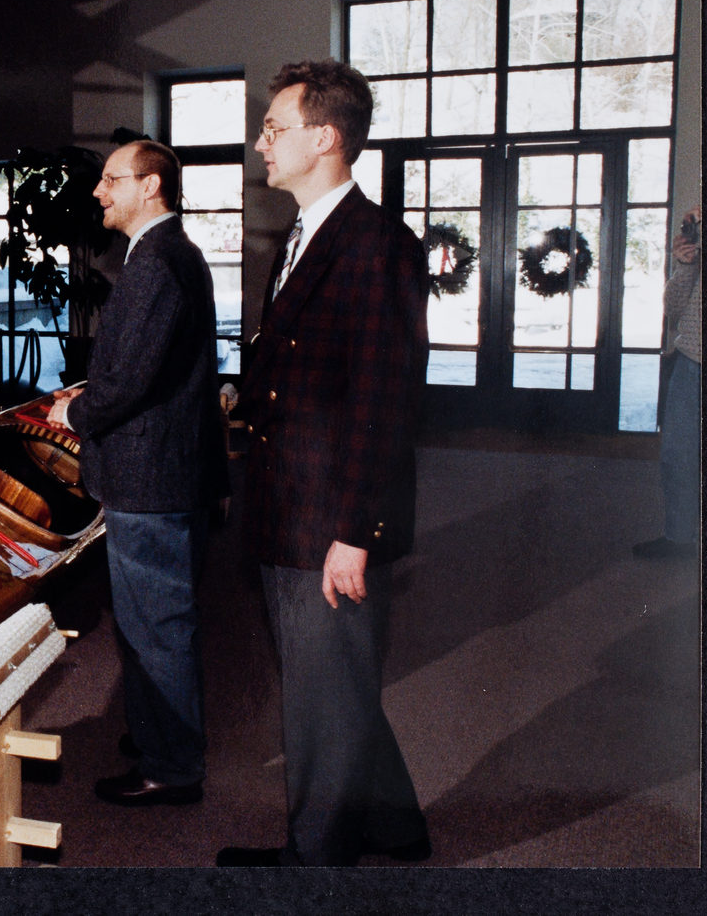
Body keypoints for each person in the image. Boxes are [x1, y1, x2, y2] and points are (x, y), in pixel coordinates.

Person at [216, 60, 431, 867]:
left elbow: (385, 404)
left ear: (325, 138)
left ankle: (317, 862)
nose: (261, 143)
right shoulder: (306, 233)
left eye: (274, 127)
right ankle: (394, 825)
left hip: (329, 517)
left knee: (322, 693)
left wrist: (354, 532)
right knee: (333, 680)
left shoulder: (378, 246)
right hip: (289, 500)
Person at [48, 139, 228, 808]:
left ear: (150, 186)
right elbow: (153, 368)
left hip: (150, 478)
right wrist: (93, 393)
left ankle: (172, 766)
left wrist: (76, 412)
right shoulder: (172, 252)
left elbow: (131, 381)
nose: (99, 191)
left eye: (111, 180)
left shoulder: (154, 261)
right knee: (156, 622)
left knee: (155, 626)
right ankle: (160, 733)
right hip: (171, 467)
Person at [633, 205, 701, 559]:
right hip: (691, 361)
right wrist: (685, 264)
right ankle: (678, 539)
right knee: (678, 457)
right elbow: (673, 310)